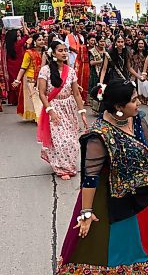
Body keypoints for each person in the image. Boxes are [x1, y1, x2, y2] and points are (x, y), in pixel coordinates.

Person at [53, 79, 148, 275]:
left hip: (142, 188)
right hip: (111, 192)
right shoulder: (98, 136)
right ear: (119, 107)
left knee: (146, 234)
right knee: (111, 238)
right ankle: (110, 268)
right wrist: (86, 212)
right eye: (134, 100)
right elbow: (90, 177)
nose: (139, 104)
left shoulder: (136, 119)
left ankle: (147, 266)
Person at [37, 40, 87, 180]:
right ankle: (61, 168)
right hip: (54, 107)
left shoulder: (70, 71)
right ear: (53, 53)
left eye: (65, 50)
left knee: (72, 141)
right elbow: (41, 93)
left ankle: (68, 165)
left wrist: (82, 112)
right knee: (60, 140)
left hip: (69, 108)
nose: (64, 53)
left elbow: (76, 93)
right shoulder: (45, 71)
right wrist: (50, 111)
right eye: (60, 50)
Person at [12, 33, 44, 122]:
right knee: (36, 98)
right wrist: (17, 80)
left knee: (40, 98)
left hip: (42, 78)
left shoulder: (46, 52)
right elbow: (23, 68)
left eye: (43, 39)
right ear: (34, 41)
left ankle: (38, 116)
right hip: (31, 78)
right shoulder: (29, 53)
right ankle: (40, 118)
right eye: (39, 40)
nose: (42, 42)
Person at [5, 25, 29, 106]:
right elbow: (26, 35)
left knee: (13, 81)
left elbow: (3, 35)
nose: (19, 37)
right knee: (19, 82)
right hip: (19, 66)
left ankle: (13, 100)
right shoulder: (18, 44)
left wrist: (6, 28)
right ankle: (19, 99)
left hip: (10, 66)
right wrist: (24, 25)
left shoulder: (7, 46)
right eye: (18, 35)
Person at [88, 36, 109, 114]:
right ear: (97, 42)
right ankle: (95, 109)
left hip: (105, 73)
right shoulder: (92, 51)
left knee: (104, 91)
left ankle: (103, 109)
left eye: (103, 41)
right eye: (101, 41)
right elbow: (91, 62)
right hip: (95, 73)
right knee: (96, 90)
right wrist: (102, 61)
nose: (102, 43)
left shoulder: (106, 51)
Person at [131, 39, 148, 106]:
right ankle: (143, 99)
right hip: (138, 71)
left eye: (142, 43)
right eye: (139, 43)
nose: (140, 45)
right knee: (141, 86)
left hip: (147, 71)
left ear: (144, 45)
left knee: (147, 85)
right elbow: (132, 63)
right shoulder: (134, 53)